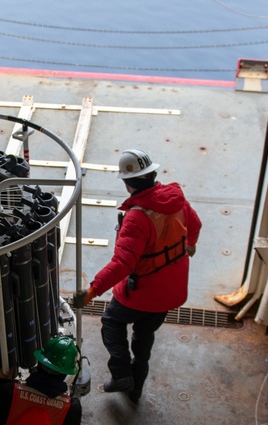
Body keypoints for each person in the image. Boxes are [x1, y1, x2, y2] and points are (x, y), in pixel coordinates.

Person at [73, 148, 202, 403]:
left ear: (127, 182)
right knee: (145, 336)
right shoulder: (175, 199)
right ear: (153, 174)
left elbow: (122, 264)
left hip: (142, 293)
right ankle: (136, 389)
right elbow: (195, 225)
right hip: (171, 292)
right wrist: (190, 244)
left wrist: (91, 291)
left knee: (111, 322)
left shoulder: (137, 218)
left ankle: (121, 374)